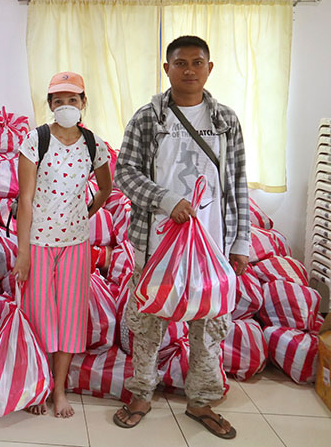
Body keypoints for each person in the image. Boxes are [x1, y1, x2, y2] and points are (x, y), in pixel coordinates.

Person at [112, 35, 250, 440]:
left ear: (209, 68)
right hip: (155, 243)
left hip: (213, 244)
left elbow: (237, 182)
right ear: (166, 68)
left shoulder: (225, 120)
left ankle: (202, 399)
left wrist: (240, 242)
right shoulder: (148, 118)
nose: (188, 70)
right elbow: (125, 173)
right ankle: (140, 394)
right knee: (149, 320)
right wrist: (166, 199)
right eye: (180, 63)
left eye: (196, 62)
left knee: (209, 324)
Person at [13, 71, 113, 418]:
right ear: (50, 105)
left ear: (83, 103)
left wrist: (86, 211)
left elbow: (105, 188)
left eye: (73, 100)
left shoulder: (93, 143)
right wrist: (23, 253)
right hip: (39, 244)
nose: (66, 106)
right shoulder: (35, 140)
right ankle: (38, 384)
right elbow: (24, 201)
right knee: (40, 318)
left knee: (70, 319)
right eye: (59, 101)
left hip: (75, 244)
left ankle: (58, 390)